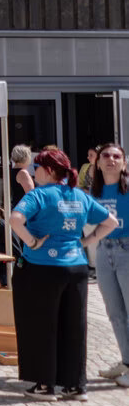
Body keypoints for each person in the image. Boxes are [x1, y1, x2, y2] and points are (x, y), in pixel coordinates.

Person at [10, 147, 116, 401]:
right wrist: (86, 241)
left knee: (41, 324)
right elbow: (110, 222)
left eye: (37, 169)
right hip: (76, 266)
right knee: (74, 326)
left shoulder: (39, 195)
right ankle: (76, 385)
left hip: (42, 266)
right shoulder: (78, 195)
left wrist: (32, 242)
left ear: (48, 171)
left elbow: (15, 219)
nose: (34, 174)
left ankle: (45, 385)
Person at [89, 143, 129, 388]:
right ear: (98, 162)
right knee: (114, 312)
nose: (111, 159)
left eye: (116, 156)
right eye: (106, 155)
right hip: (104, 252)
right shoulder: (95, 191)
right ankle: (126, 361)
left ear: (124, 163)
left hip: (127, 250)